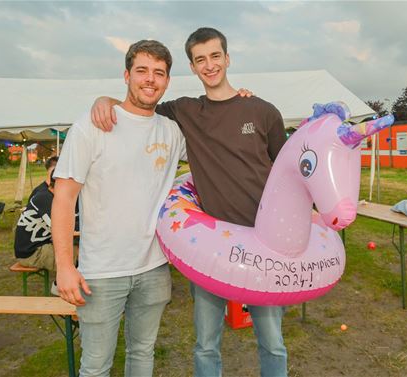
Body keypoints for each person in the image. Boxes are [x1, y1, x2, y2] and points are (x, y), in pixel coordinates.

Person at [91, 27, 288, 377]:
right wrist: (103, 100)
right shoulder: (184, 112)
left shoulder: (263, 112)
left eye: (215, 56)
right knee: (205, 344)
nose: (209, 65)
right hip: (210, 249)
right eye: (200, 60)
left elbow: (285, 171)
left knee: (272, 341)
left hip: (263, 244)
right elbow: (138, 103)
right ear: (193, 68)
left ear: (227, 59)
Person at [52, 40, 187, 377]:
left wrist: (241, 102)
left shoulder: (171, 132)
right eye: (142, 70)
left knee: (142, 355)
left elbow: (218, 146)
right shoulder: (92, 126)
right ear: (126, 75)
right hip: (101, 272)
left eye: (159, 73)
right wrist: (65, 266)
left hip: (154, 266)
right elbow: (64, 197)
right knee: (96, 366)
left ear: (167, 81)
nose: (150, 79)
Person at [14, 171, 56, 275]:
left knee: (80, 249)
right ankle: (61, 285)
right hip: (31, 253)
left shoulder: (52, 196)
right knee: (78, 254)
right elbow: (62, 227)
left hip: (42, 245)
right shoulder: (44, 198)